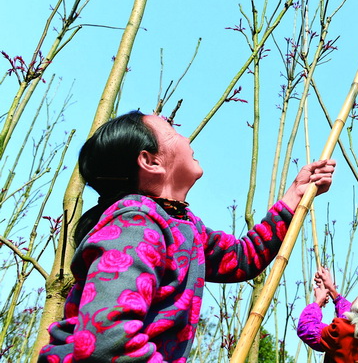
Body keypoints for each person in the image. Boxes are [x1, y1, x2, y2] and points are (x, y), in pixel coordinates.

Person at [39, 110, 335, 362]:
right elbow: (109, 340)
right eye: (170, 130)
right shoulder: (135, 223)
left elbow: (242, 258)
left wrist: (296, 192)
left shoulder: (182, 224)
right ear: (150, 161)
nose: (184, 138)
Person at [297, 266, 358, 362]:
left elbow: (306, 328)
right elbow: (352, 322)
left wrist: (318, 302)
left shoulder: (342, 332)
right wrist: (332, 290)